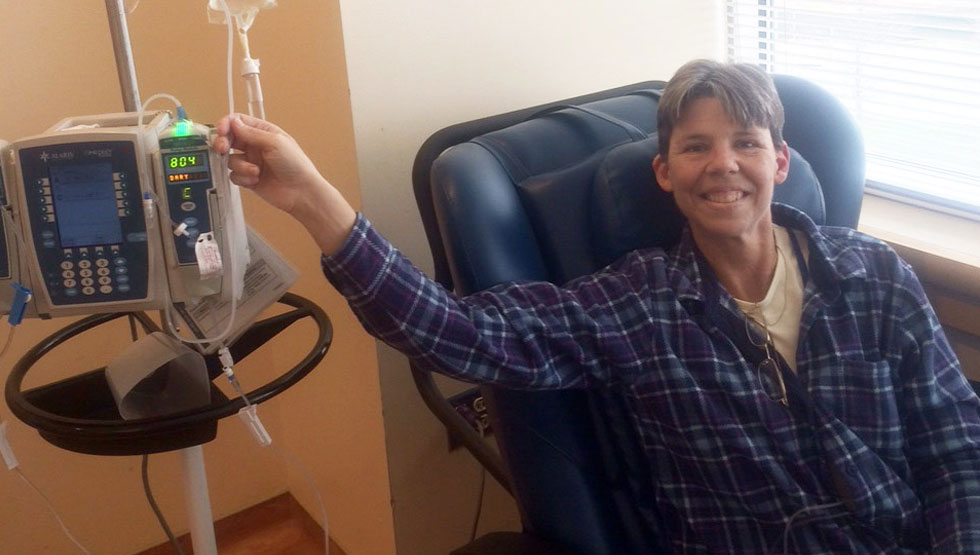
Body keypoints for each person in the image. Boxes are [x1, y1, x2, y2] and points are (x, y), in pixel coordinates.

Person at [215, 60, 980, 553]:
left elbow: (956, 452)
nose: (723, 165)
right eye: (696, 146)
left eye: (746, 142)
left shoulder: (875, 277)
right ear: (664, 172)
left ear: (781, 161)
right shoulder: (639, 304)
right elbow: (458, 334)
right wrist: (314, 199)